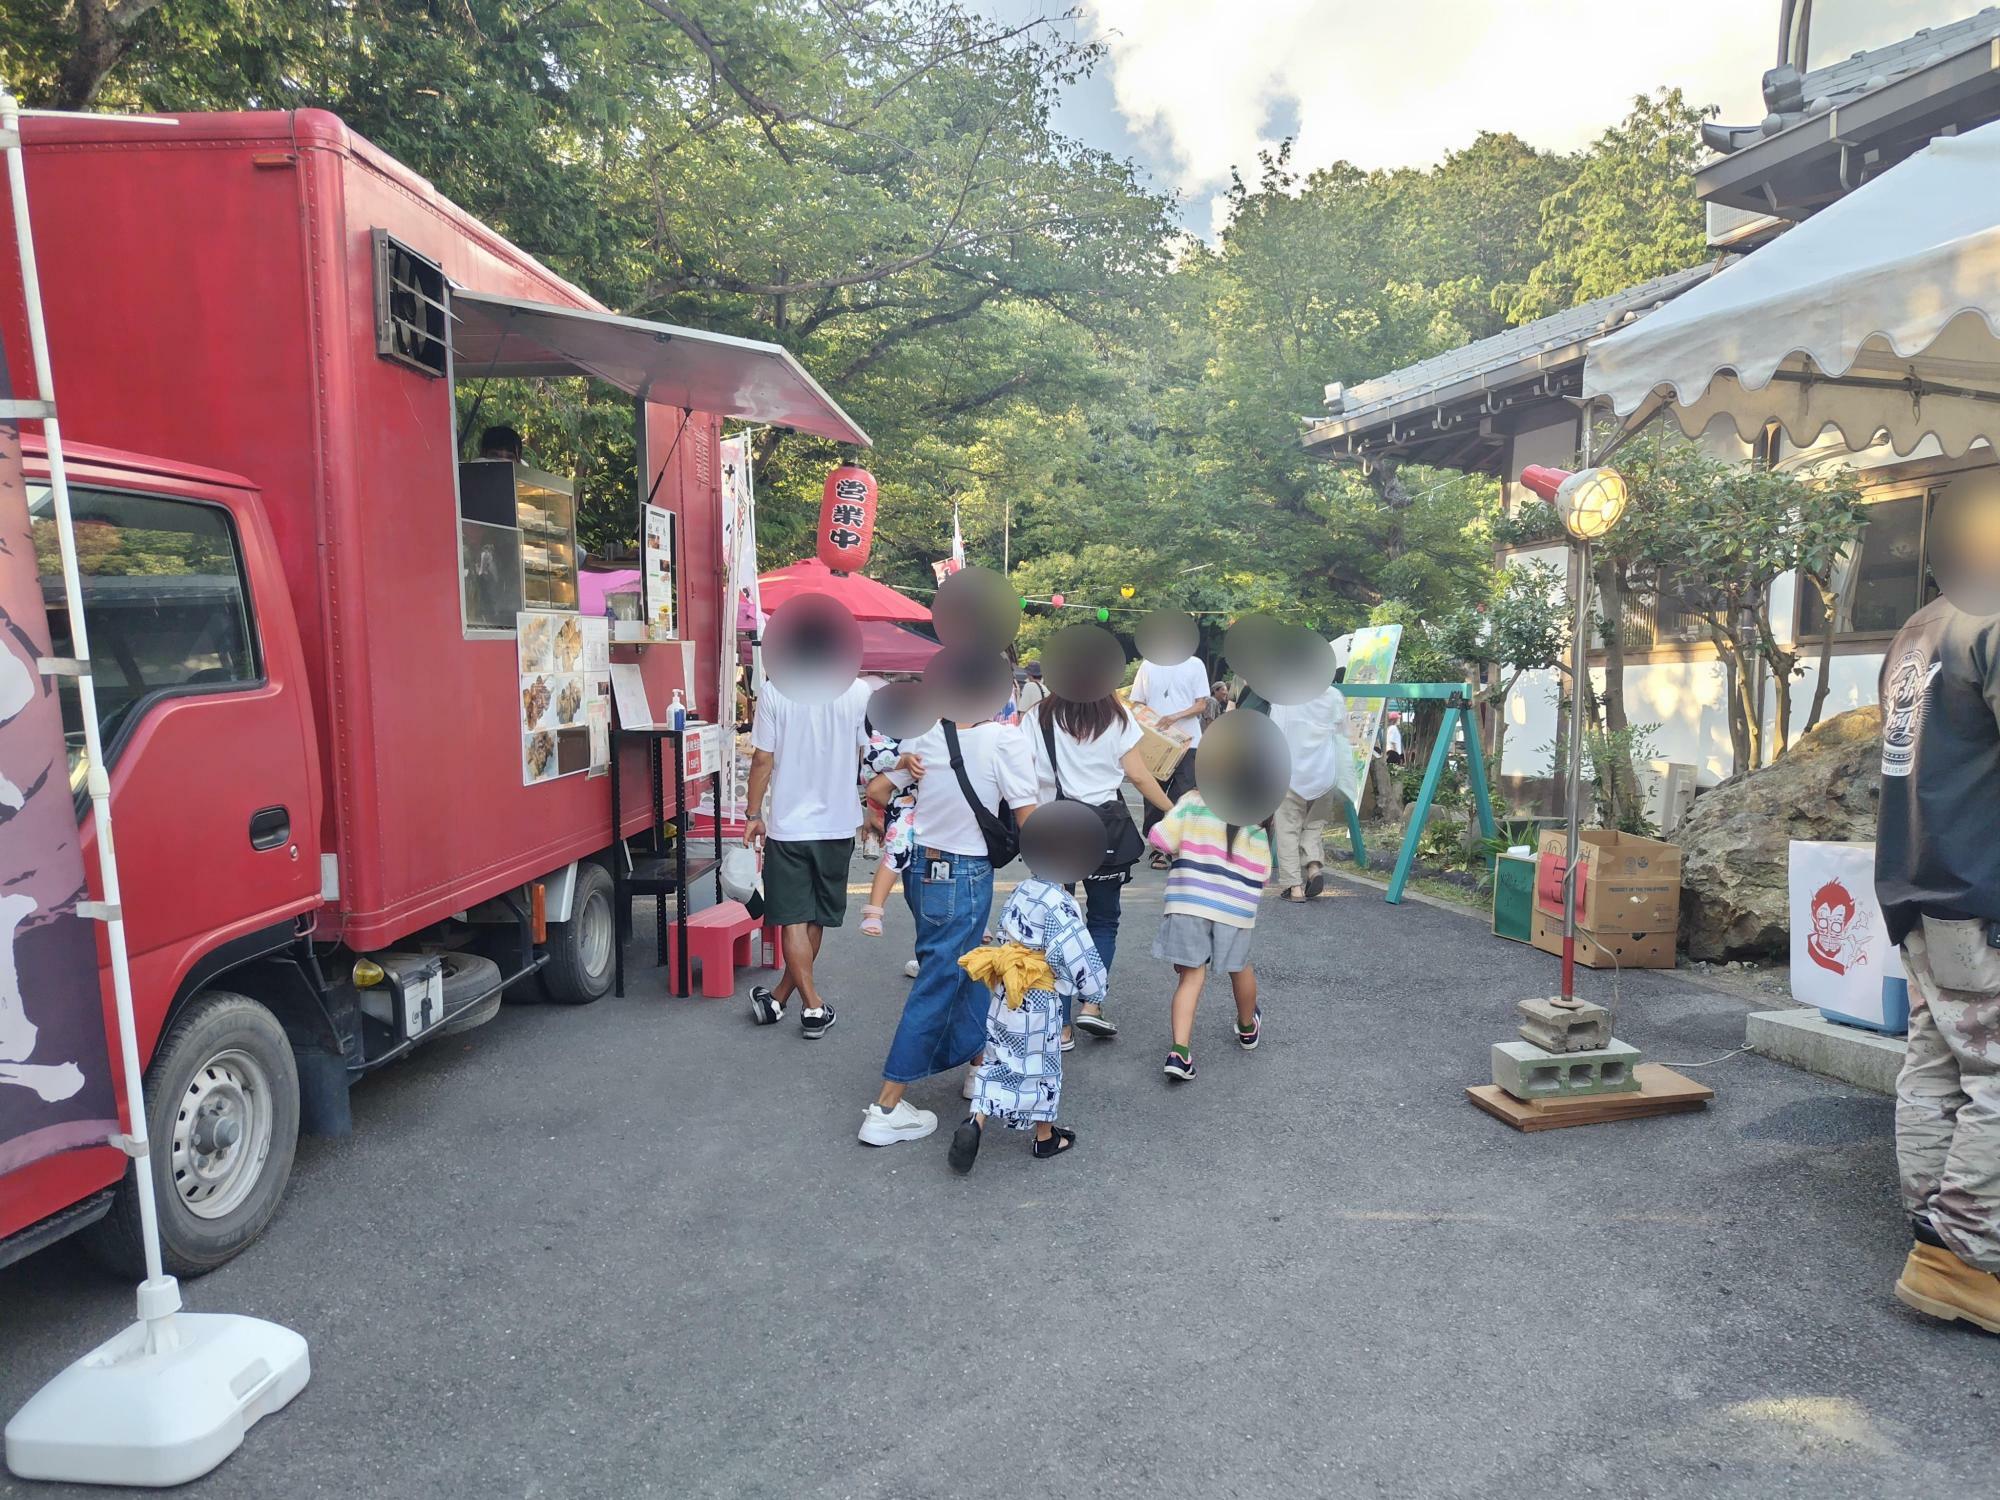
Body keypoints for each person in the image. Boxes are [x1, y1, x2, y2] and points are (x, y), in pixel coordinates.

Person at [1875, 594, 2000, 1335]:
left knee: (1939, 1062)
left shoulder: (1921, 621)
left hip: (1919, 879)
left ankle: (1933, 1226)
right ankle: (1965, 1255)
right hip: (1984, 886)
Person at [859, 711, 1038, 1146]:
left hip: (922, 869)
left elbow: (878, 790)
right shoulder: (1003, 739)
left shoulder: (925, 730)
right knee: (941, 979)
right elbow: (1028, 817)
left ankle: (977, 1067)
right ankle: (885, 1107)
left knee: (967, 966)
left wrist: (903, 767)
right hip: (964, 871)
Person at [1027, 690, 1173, 1041]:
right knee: (1103, 920)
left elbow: (1023, 770)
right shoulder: (1117, 713)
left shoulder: (1038, 715)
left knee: (1054, 928)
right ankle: (1091, 1004)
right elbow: (1138, 775)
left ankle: (1060, 1027)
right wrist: (1173, 809)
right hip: (1105, 829)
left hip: (1052, 828)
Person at [743, 675, 872, 1038]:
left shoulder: (775, 690)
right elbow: (868, 754)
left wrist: (754, 814)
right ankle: (801, 1003)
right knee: (814, 916)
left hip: (789, 825)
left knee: (794, 920)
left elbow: (762, 759)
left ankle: (799, 1002)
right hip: (838, 823)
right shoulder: (858, 691)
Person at [948, 876, 1106, 1172]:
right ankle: (1045, 1136)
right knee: (1042, 1066)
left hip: (1006, 991)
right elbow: (1077, 954)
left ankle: (976, 1119)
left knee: (997, 1057)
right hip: (1038, 996)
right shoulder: (1061, 903)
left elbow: (1004, 927)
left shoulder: (1023, 888)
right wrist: (1094, 992)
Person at [1146, 788, 1272, 1082]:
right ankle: (1246, 1026)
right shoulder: (1255, 812)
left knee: (1190, 977)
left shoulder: (1193, 800)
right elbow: (1263, 871)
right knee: (1239, 968)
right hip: (1235, 908)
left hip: (1189, 900)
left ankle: (1179, 1052)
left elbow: (1160, 839)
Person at [1269, 683, 1358, 903]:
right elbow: (1345, 733)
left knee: (1288, 829)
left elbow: (1274, 732)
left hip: (1290, 772)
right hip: (1324, 772)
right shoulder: (1333, 695)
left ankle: (1294, 887)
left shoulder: (1283, 694)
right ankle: (1314, 867)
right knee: (1314, 824)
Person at [1130, 650, 1210, 861]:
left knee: (1183, 793)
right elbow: (1137, 702)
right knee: (1153, 792)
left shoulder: (1195, 663)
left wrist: (1175, 716)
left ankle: (1171, 841)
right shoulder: (1148, 664)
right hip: (1156, 742)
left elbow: (1202, 704)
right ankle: (1157, 843)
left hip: (1189, 740)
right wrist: (1151, 723)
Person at [858, 721, 918, 936]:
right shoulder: (878, 739)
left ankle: (874, 912)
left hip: (902, 797)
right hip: (903, 799)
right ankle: (874, 911)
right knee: (896, 852)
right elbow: (876, 784)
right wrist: (906, 761)